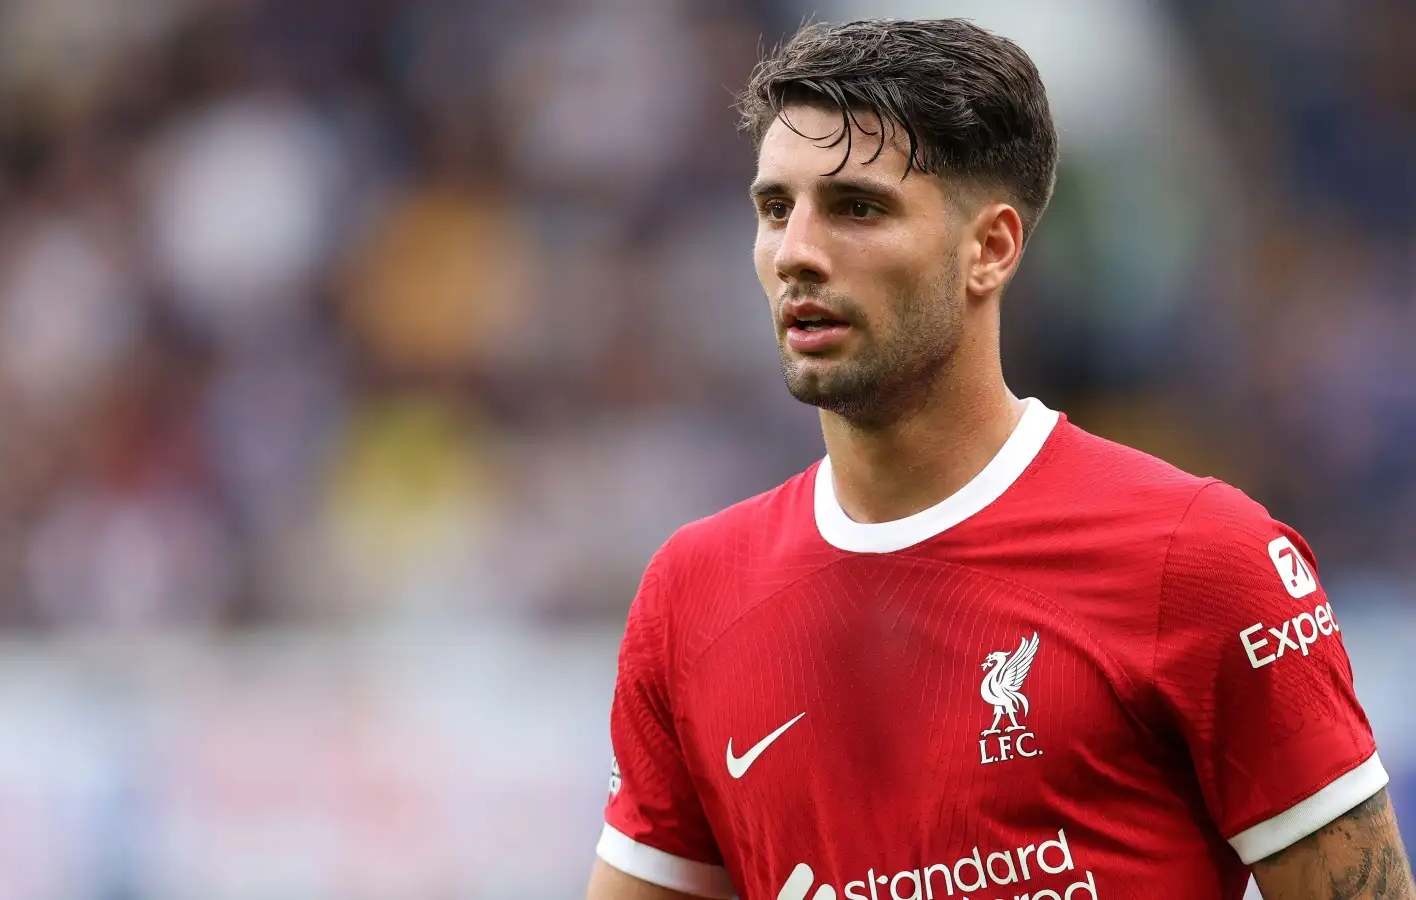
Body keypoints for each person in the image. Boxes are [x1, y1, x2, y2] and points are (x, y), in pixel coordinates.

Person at [585, 18, 1414, 900]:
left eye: (857, 208)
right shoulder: (693, 597)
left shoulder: (1201, 557)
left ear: (991, 248)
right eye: (776, 208)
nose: (797, 254)